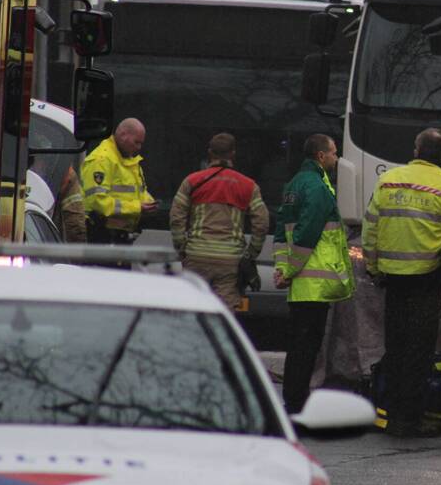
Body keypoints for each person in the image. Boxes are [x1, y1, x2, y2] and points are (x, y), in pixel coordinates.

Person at [362, 128, 441, 437]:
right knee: (419, 349)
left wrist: (373, 268)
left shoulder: (388, 180)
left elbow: (370, 229)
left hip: (392, 278)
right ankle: (409, 419)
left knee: (396, 346)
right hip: (427, 278)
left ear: (416, 150)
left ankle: (391, 411)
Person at [274, 134, 354, 414]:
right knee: (307, 348)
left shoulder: (293, 184)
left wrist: (282, 268)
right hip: (314, 282)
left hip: (299, 284)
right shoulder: (318, 188)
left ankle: (293, 400)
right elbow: (307, 233)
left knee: (297, 345)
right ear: (321, 156)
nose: (336, 157)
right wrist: (293, 268)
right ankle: (297, 404)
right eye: (333, 153)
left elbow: (281, 230)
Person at [170, 133, 269, 310]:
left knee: (193, 311)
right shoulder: (248, 185)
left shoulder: (191, 181)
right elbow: (261, 223)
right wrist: (250, 255)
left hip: (196, 257)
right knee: (223, 315)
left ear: (210, 153)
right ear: (233, 154)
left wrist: (182, 248)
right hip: (229, 260)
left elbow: (176, 217)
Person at [81, 118, 157, 244]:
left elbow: (139, 191)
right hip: (102, 235)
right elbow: (98, 201)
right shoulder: (102, 160)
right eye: (136, 142)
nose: (139, 147)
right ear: (122, 135)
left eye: (141, 143)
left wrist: (149, 203)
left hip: (120, 236)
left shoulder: (130, 160)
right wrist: (137, 207)